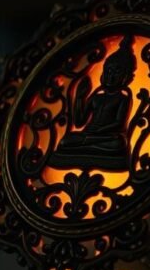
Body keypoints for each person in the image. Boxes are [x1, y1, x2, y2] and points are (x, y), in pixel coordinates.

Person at [47, 35, 136, 171]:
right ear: (103, 73)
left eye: (117, 72)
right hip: (87, 136)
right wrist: (79, 98)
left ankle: (87, 149)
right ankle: (88, 148)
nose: (111, 76)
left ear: (127, 76)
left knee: (118, 143)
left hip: (106, 137)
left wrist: (100, 130)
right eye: (109, 71)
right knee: (66, 140)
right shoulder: (96, 97)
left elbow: (119, 123)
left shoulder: (122, 98)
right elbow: (79, 121)